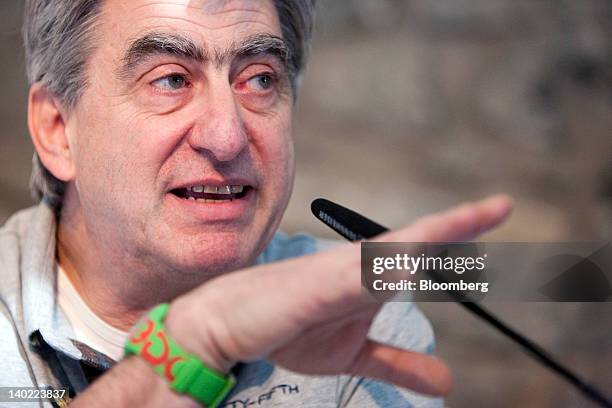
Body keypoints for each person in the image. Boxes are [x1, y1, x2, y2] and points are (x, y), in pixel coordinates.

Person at [0, 0, 513, 406]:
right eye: (171, 80)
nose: (227, 136)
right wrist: (195, 351)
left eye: (260, 79)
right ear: (58, 131)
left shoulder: (354, 316)